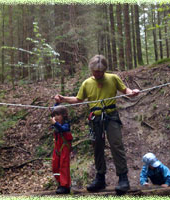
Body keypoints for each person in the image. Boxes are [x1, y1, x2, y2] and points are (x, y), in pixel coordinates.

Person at [54, 55, 140, 194]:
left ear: (105, 70)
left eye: (100, 71)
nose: (98, 73)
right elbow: (78, 99)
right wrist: (63, 99)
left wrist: (132, 93)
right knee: (97, 147)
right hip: (95, 118)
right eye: (95, 71)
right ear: (91, 70)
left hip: (111, 116)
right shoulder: (87, 83)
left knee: (116, 145)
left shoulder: (113, 78)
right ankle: (100, 178)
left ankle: (123, 178)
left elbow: (126, 91)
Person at [50, 104, 73, 194]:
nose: (56, 117)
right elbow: (53, 110)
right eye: (54, 115)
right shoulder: (55, 124)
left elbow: (63, 129)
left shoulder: (66, 125)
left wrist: (55, 123)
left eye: (58, 115)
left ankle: (65, 185)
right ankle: (60, 183)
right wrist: (56, 103)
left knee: (64, 165)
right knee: (55, 166)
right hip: (57, 148)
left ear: (64, 115)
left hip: (64, 148)